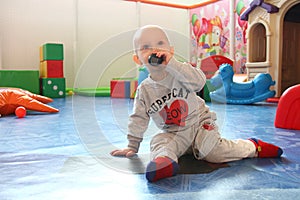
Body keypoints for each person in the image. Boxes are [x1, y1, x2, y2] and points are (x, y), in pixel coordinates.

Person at [110, 25, 283, 182]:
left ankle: (253, 147)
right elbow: (138, 118)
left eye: (160, 44)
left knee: (214, 153)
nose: (154, 50)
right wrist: (132, 146)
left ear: (170, 51)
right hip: (173, 133)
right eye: (146, 47)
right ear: (138, 59)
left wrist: (173, 64)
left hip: (200, 125)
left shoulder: (181, 72)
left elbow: (199, 82)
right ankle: (164, 163)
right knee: (159, 141)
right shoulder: (144, 90)